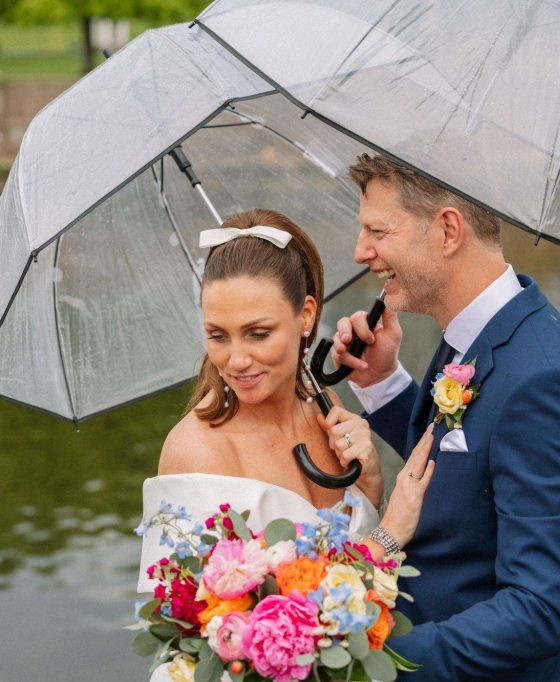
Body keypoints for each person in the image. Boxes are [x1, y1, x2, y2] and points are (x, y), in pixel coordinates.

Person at [331, 155, 560, 681]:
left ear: (447, 230)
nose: (361, 252)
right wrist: (383, 383)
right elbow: (469, 468)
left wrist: (378, 660)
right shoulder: (480, 335)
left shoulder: (547, 383)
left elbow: (541, 611)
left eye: (378, 232)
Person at [136, 209, 436, 679]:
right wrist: (388, 534)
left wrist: (370, 485)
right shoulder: (197, 451)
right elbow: (214, 644)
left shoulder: (323, 408)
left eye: (258, 334)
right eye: (218, 335)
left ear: (306, 315)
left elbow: (350, 573)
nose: (236, 360)